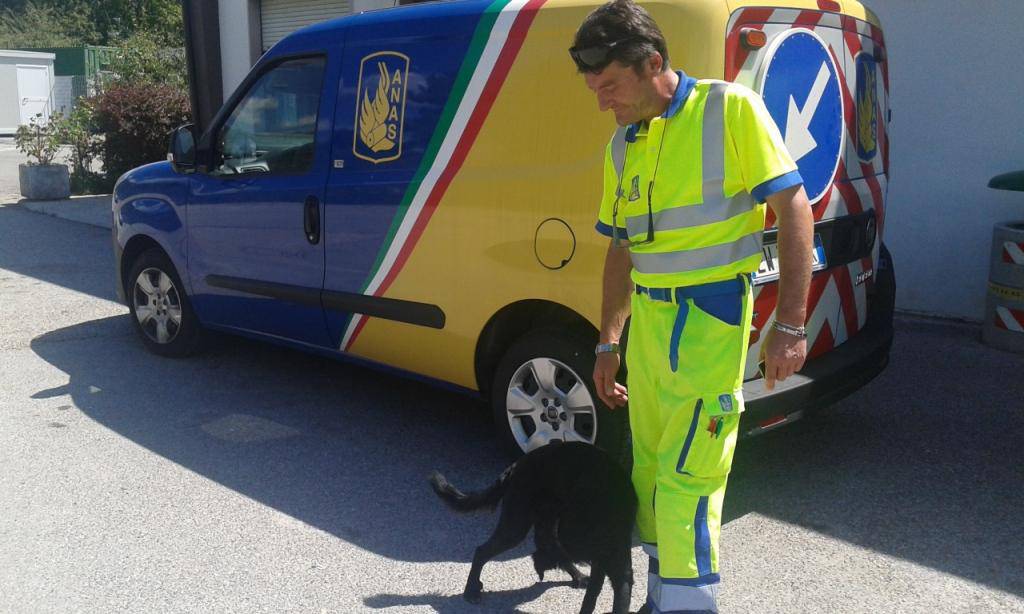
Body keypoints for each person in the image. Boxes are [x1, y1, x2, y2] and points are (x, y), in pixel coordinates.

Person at [570, 1, 814, 611]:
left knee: (690, 474)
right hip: (650, 325)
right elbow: (621, 250)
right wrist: (607, 342)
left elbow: (794, 208)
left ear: (654, 62)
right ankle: (663, 595)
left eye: (612, 86)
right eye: (594, 89)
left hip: (709, 321)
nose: (603, 102)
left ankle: (689, 606)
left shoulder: (728, 109)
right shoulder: (622, 146)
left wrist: (789, 324)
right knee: (649, 471)